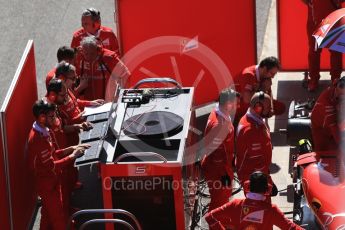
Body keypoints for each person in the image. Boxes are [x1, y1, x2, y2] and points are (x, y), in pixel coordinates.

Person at [27, 99, 88, 229]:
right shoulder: (37, 139)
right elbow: (52, 166)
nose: (55, 119)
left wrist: (72, 148)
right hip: (47, 185)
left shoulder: (43, 130)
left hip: (51, 181)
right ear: (42, 117)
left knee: (47, 215)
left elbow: (54, 153)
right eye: (51, 116)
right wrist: (73, 156)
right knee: (59, 219)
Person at [205, 171, 304, 230]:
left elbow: (210, 216)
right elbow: (291, 228)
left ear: (248, 186)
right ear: (266, 190)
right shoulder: (272, 210)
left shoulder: (235, 204)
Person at [201, 88, 240, 211]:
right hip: (218, 171)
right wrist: (224, 175)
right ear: (228, 104)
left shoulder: (219, 113)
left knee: (221, 201)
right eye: (235, 103)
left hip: (218, 167)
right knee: (219, 203)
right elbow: (216, 153)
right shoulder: (219, 125)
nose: (238, 106)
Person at [235, 92, 277, 198]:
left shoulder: (254, 121)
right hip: (256, 183)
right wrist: (267, 183)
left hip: (259, 177)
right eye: (268, 107)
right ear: (258, 108)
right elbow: (256, 162)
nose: (270, 111)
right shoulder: (250, 130)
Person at [303, 0, 343, 91]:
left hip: (326, 17)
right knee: (317, 51)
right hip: (322, 18)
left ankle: (332, 80)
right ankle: (318, 79)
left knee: (332, 50)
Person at [74, 35, 129, 101]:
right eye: (86, 54)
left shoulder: (109, 57)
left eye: (92, 54)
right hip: (87, 104)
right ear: (82, 50)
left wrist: (120, 95)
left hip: (107, 103)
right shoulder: (79, 57)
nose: (89, 57)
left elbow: (125, 74)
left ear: (97, 49)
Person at [234, 56, 285, 125]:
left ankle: (257, 120)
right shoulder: (248, 75)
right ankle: (242, 122)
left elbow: (269, 92)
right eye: (272, 73)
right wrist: (262, 89)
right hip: (238, 104)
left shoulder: (265, 76)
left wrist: (271, 108)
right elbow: (247, 99)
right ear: (264, 69)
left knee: (280, 107)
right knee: (257, 106)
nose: (272, 77)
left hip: (251, 101)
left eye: (274, 74)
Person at [311, 76, 345, 151]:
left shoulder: (337, 84)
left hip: (334, 121)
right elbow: (337, 134)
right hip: (321, 129)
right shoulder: (327, 108)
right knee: (324, 154)